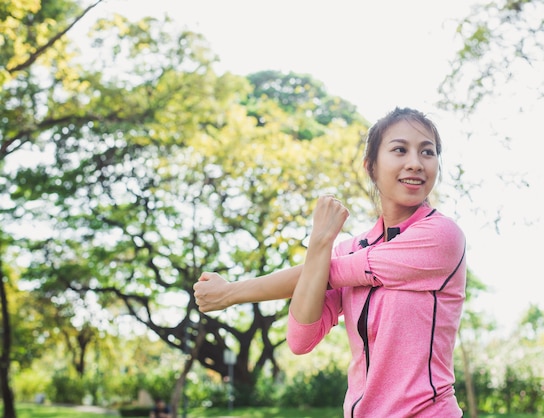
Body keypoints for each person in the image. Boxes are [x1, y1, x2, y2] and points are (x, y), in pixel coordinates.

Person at [194, 107, 466, 417]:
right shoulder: (350, 248)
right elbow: (300, 339)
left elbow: (336, 272)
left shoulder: (441, 236)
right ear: (371, 167)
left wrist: (230, 293)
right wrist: (320, 244)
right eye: (400, 150)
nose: (415, 163)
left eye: (427, 152)